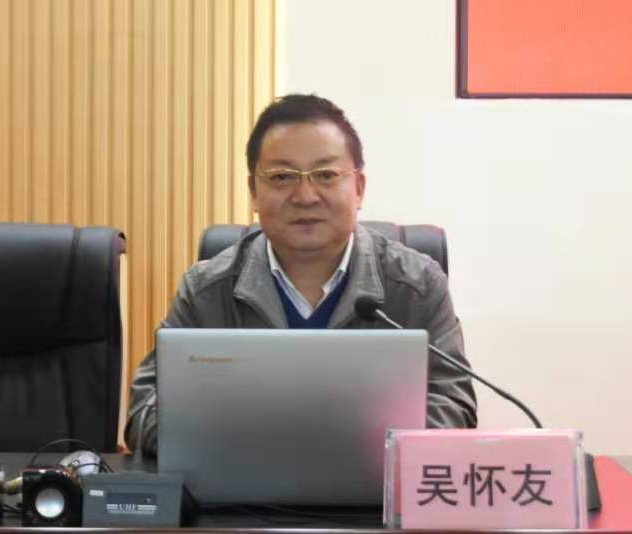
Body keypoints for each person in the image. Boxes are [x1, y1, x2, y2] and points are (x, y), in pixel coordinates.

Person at [125, 94, 477, 455]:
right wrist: (275, 443)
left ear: (358, 188)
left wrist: (325, 445)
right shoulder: (207, 290)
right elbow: (144, 413)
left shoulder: (417, 286)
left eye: (326, 175)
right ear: (254, 192)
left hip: (372, 489)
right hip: (242, 488)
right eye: (282, 177)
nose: (306, 196)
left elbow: (455, 409)